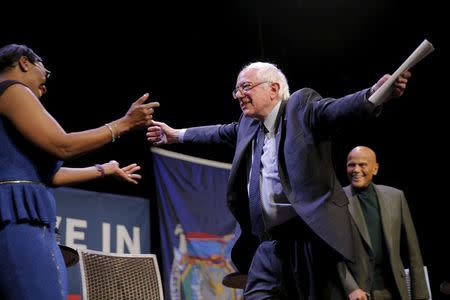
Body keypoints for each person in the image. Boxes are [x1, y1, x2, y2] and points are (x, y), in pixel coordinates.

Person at [147, 61, 411, 299]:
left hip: (307, 242)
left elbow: (337, 109)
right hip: (266, 245)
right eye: (237, 90)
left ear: (273, 89)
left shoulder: (301, 108)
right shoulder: (249, 125)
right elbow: (218, 133)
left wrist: (374, 96)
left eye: (246, 87)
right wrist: (175, 135)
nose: (239, 95)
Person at [0, 43, 159, 300]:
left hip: (24, 218)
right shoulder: (13, 89)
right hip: (16, 219)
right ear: (24, 62)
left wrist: (104, 170)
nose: (46, 83)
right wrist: (124, 124)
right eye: (46, 71)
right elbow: (63, 145)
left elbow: (49, 176)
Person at [341, 146, 429, 300]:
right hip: (359, 293)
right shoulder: (337, 201)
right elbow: (332, 254)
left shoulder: (395, 197)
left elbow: (413, 250)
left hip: (394, 290)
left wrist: (420, 295)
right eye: (351, 165)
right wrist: (351, 287)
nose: (356, 169)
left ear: (375, 169)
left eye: (362, 164)